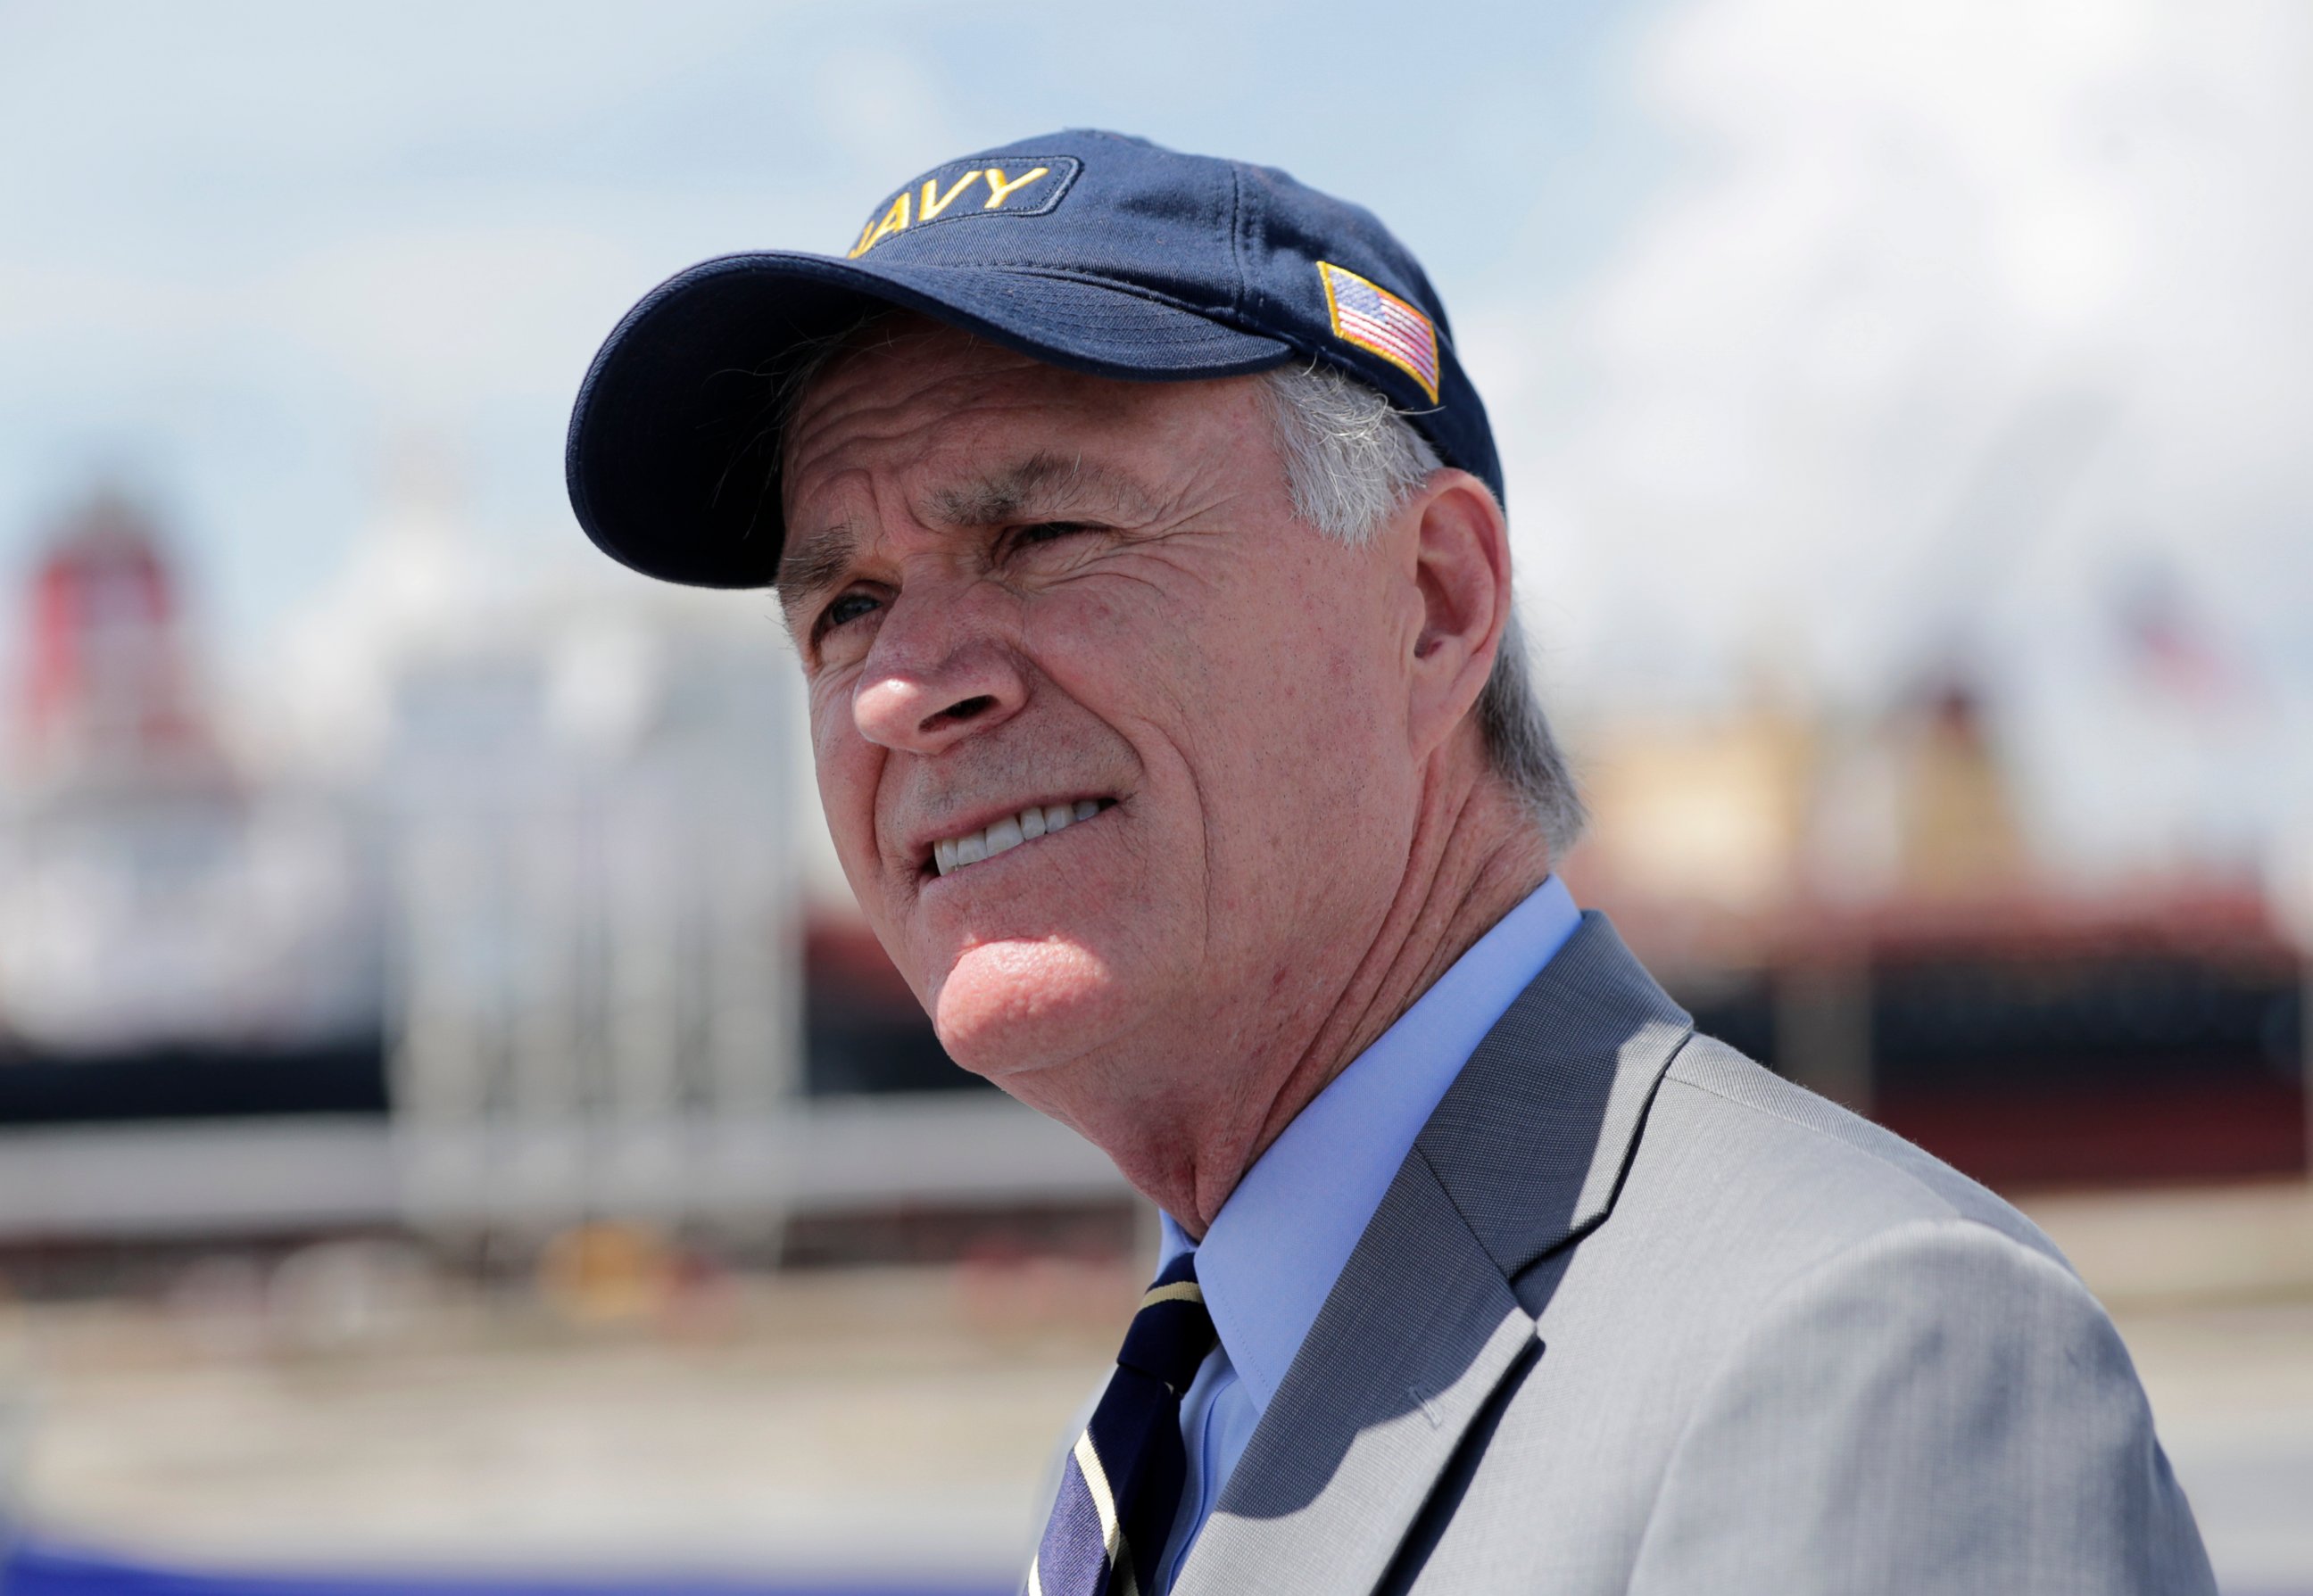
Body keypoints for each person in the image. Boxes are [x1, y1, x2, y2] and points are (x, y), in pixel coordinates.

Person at [565, 131, 2215, 1595]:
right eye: (843, 606)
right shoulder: (1203, 1398)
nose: (910, 686)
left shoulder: (1868, 1358)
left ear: (1432, 602)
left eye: (1044, 535)